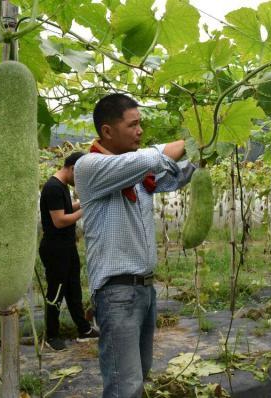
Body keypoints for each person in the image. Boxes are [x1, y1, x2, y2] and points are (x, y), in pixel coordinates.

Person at [74, 94, 195, 397]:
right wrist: (197, 138)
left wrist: (202, 156)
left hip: (144, 291)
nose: (140, 130)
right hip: (117, 294)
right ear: (107, 131)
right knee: (124, 386)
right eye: (134, 124)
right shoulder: (90, 167)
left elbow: (169, 178)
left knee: (138, 378)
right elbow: (153, 158)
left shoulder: (137, 176)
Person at [39, 151, 98, 351]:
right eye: (80, 175)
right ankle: (52, 335)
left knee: (74, 289)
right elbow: (60, 220)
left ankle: (84, 329)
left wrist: (84, 203)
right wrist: (86, 210)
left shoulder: (61, 186)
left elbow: (66, 208)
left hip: (66, 247)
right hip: (55, 249)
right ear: (73, 169)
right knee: (56, 292)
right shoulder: (53, 188)